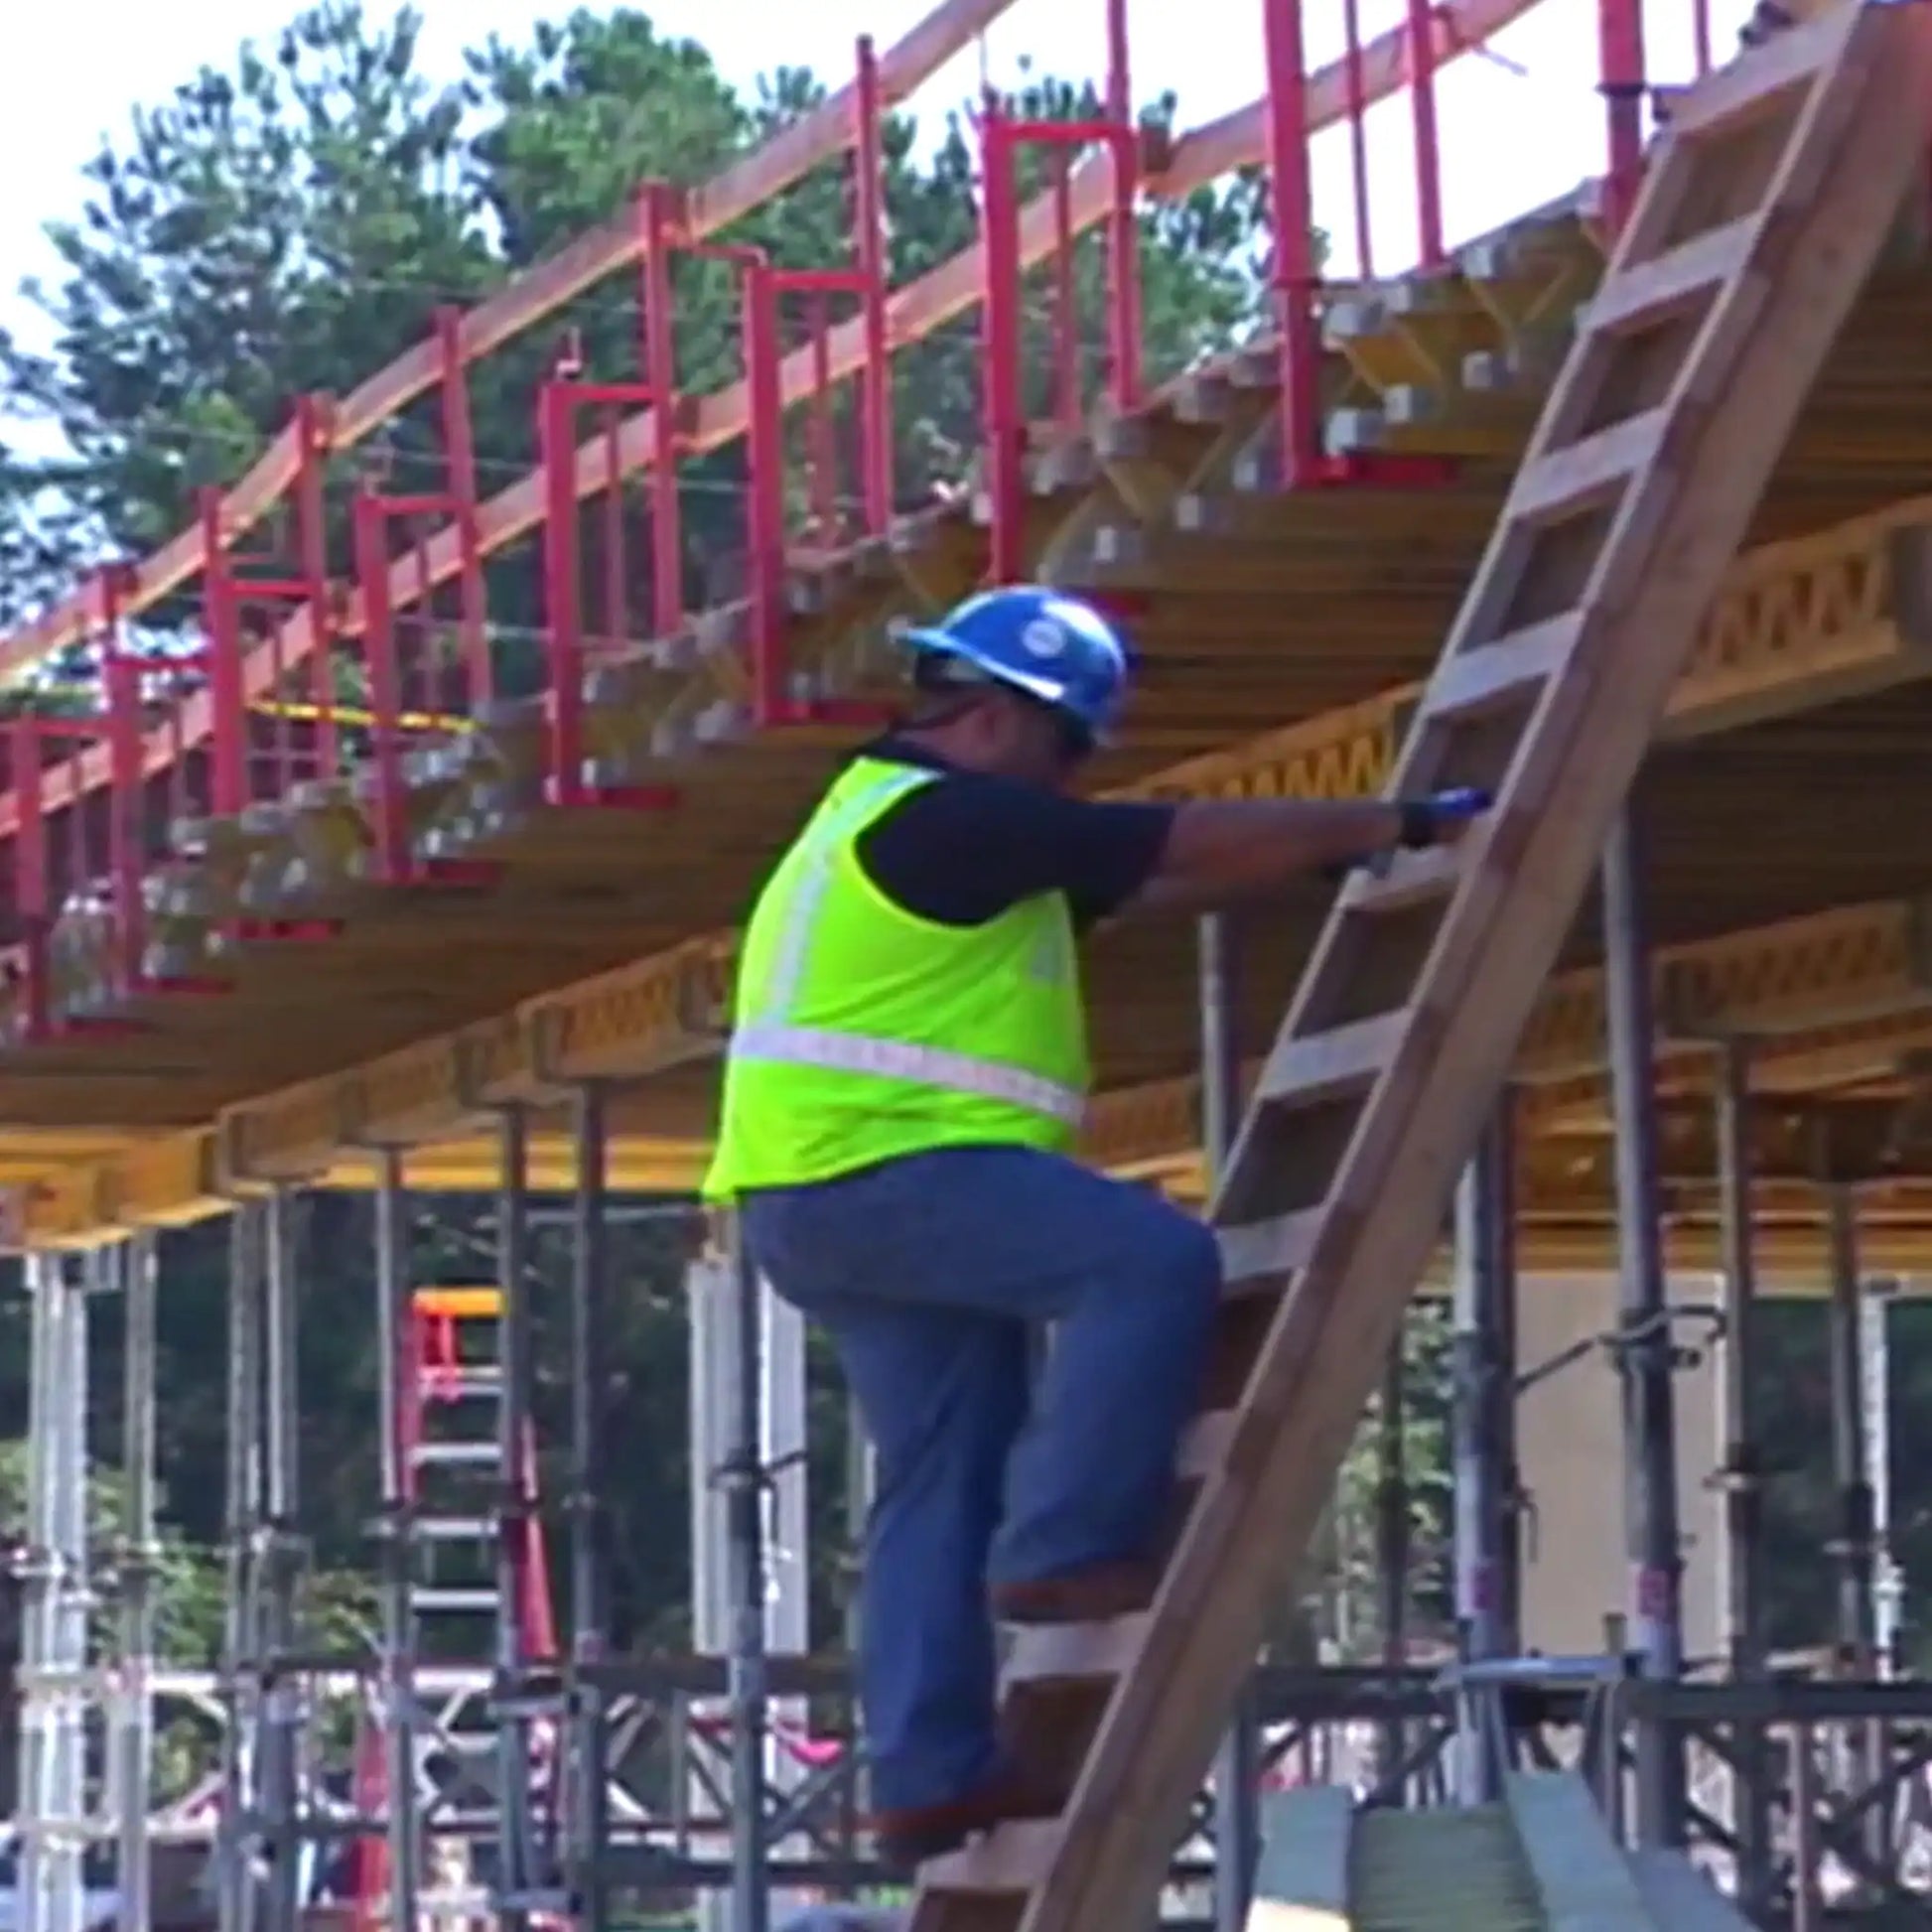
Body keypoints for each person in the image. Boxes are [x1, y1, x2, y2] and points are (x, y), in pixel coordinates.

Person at [701, 585, 1487, 1869]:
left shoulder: (887, 823)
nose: (1068, 781)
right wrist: (1387, 820)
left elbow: (1137, 879)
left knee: (936, 1481)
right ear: (1003, 718)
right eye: (1069, 749)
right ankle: (1065, 1548)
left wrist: (1312, 854)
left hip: (814, 1196)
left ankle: (924, 1776)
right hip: (880, 1176)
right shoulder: (949, 820)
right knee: (1149, 1258)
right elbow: (1160, 844)